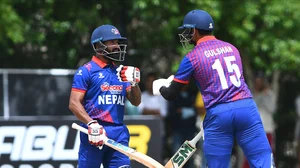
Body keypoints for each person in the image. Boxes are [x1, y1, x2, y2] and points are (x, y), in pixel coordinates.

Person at [153, 9, 274, 168]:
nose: (186, 35)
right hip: (246, 107)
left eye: (188, 30)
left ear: (195, 31)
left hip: (219, 113)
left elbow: (171, 94)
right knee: (263, 160)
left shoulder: (193, 57)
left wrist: (162, 87)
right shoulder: (232, 48)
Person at [69, 24, 141, 168]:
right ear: (99, 45)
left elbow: (136, 101)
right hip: (95, 132)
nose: (117, 46)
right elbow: (74, 103)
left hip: (119, 133)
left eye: (118, 43)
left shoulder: (121, 71)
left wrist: (134, 83)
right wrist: (91, 123)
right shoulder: (86, 71)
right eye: (112, 42)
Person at [243, 72, 277, 168]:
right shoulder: (251, 95)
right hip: (253, 131)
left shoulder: (270, 94)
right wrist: (259, 95)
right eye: (256, 82)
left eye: (260, 82)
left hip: (267, 130)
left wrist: (265, 95)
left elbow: (272, 108)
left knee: (267, 157)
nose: (258, 84)